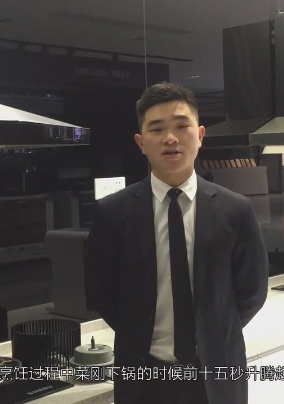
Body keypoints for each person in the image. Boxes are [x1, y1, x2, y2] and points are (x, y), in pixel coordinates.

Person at [84, 82, 269, 404]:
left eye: (181, 126)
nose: (170, 138)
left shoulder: (235, 209)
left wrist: (214, 334)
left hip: (216, 374)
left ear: (200, 135)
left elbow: (253, 291)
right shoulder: (112, 213)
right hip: (143, 377)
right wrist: (137, 334)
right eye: (157, 129)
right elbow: (102, 292)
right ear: (141, 143)